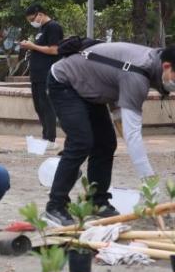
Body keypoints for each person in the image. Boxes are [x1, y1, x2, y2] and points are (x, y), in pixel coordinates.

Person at [43, 43, 175, 226]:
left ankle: (97, 202)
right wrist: (148, 181)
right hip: (65, 82)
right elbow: (133, 135)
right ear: (167, 66)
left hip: (91, 89)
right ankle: (55, 206)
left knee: (106, 143)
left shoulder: (151, 63)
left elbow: (117, 97)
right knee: (81, 142)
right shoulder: (139, 74)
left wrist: (120, 120)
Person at [19, 4, 63, 146]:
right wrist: (30, 46)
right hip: (37, 74)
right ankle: (45, 136)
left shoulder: (53, 27)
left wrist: (33, 46)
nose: (33, 22)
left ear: (40, 14)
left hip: (47, 73)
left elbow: (54, 50)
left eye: (33, 18)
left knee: (47, 105)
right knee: (39, 106)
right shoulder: (41, 29)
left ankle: (51, 139)